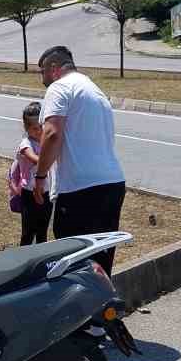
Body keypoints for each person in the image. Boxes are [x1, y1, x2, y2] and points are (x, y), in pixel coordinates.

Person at [32, 46, 127, 272]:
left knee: (74, 263)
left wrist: (40, 176)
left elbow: (52, 134)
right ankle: (104, 306)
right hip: (112, 185)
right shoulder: (94, 90)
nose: (42, 78)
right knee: (101, 265)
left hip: (81, 190)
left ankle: (83, 307)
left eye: (42, 71)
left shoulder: (59, 87)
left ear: (54, 69)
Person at [9, 102, 52, 245]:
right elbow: (34, 158)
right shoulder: (25, 144)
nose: (39, 131)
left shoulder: (46, 142)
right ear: (26, 128)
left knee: (42, 233)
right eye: (34, 128)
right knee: (28, 233)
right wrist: (50, 157)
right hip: (29, 194)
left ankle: (41, 262)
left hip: (46, 193)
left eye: (41, 127)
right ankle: (24, 261)